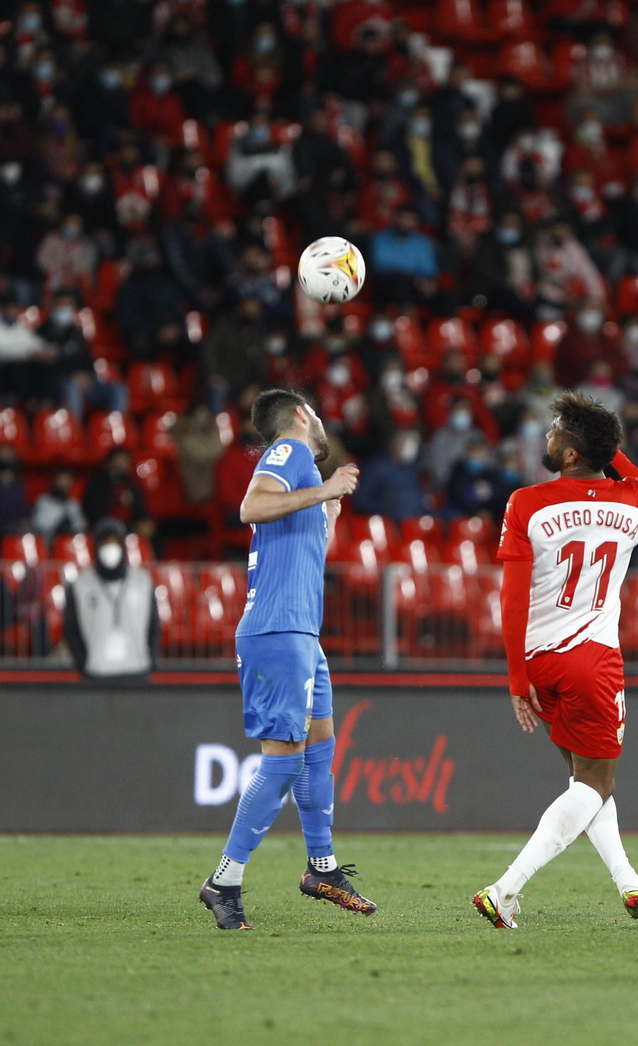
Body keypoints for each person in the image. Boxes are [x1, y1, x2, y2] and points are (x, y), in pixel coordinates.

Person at [473, 393, 638, 930]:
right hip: (592, 660)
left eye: (554, 433)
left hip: (539, 661)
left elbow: (512, 598)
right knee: (595, 782)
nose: (546, 438)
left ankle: (631, 885)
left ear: (571, 454)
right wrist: (615, 455)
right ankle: (505, 890)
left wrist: (516, 677)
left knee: (586, 781)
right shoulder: (633, 500)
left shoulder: (527, 502)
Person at [199, 389, 374, 930]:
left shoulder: (301, 478)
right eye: (317, 412)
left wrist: (329, 509)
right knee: (282, 759)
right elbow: (250, 506)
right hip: (278, 632)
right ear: (301, 416)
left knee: (319, 744)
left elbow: (304, 547)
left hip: (300, 632)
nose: (322, 422)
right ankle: (223, 881)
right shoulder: (289, 451)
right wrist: (326, 486)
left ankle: (321, 869)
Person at [65, 518, 160, 681]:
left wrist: (151, 659)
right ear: (96, 546)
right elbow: (71, 630)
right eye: (104, 543)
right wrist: (83, 663)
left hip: (137, 671)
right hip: (96, 673)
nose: (109, 549)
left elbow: (154, 626)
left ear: (123, 545)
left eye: (115, 542)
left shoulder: (143, 582)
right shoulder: (80, 585)